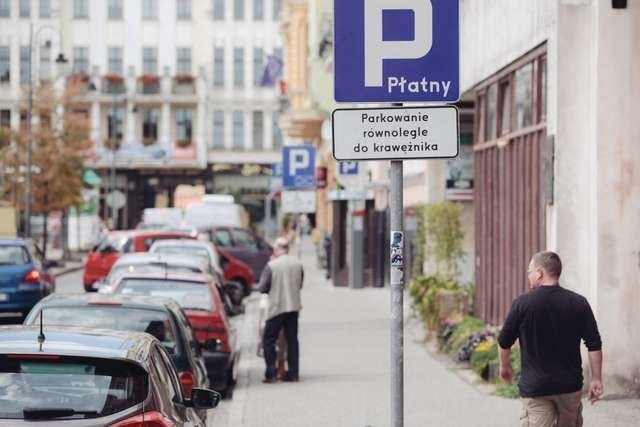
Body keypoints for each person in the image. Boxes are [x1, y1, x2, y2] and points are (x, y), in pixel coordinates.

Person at [498, 251, 603, 427]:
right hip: (570, 386)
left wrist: (505, 366)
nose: (529, 276)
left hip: (536, 388)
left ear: (539, 273)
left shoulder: (522, 304)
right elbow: (594, 344)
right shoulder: (578, 303)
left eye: (529, 271)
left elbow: (504, 342)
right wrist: (596, 378)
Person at [258, 236, 304, 383]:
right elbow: (300, 283)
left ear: (277, 249)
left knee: (269, 340)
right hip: (293, 307)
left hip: (276, 308)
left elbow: (263, 287)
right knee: (292, 340)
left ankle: (271, 373)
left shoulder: (272, 265)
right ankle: (294, 373)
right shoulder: (297, 264)